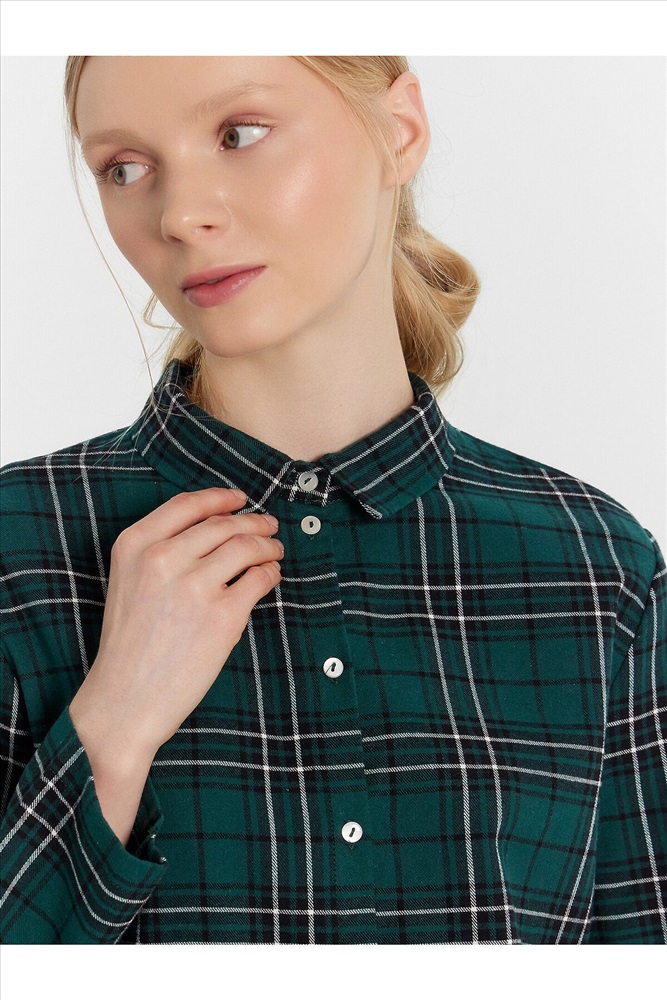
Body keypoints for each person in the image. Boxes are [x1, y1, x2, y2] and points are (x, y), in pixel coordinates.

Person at [0, 55, 665, 946]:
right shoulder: (17, 548)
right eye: (124, 168)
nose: (178, 214)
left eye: (239, 133)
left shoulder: (595, 566)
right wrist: (113, 726)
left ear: (399, 130)